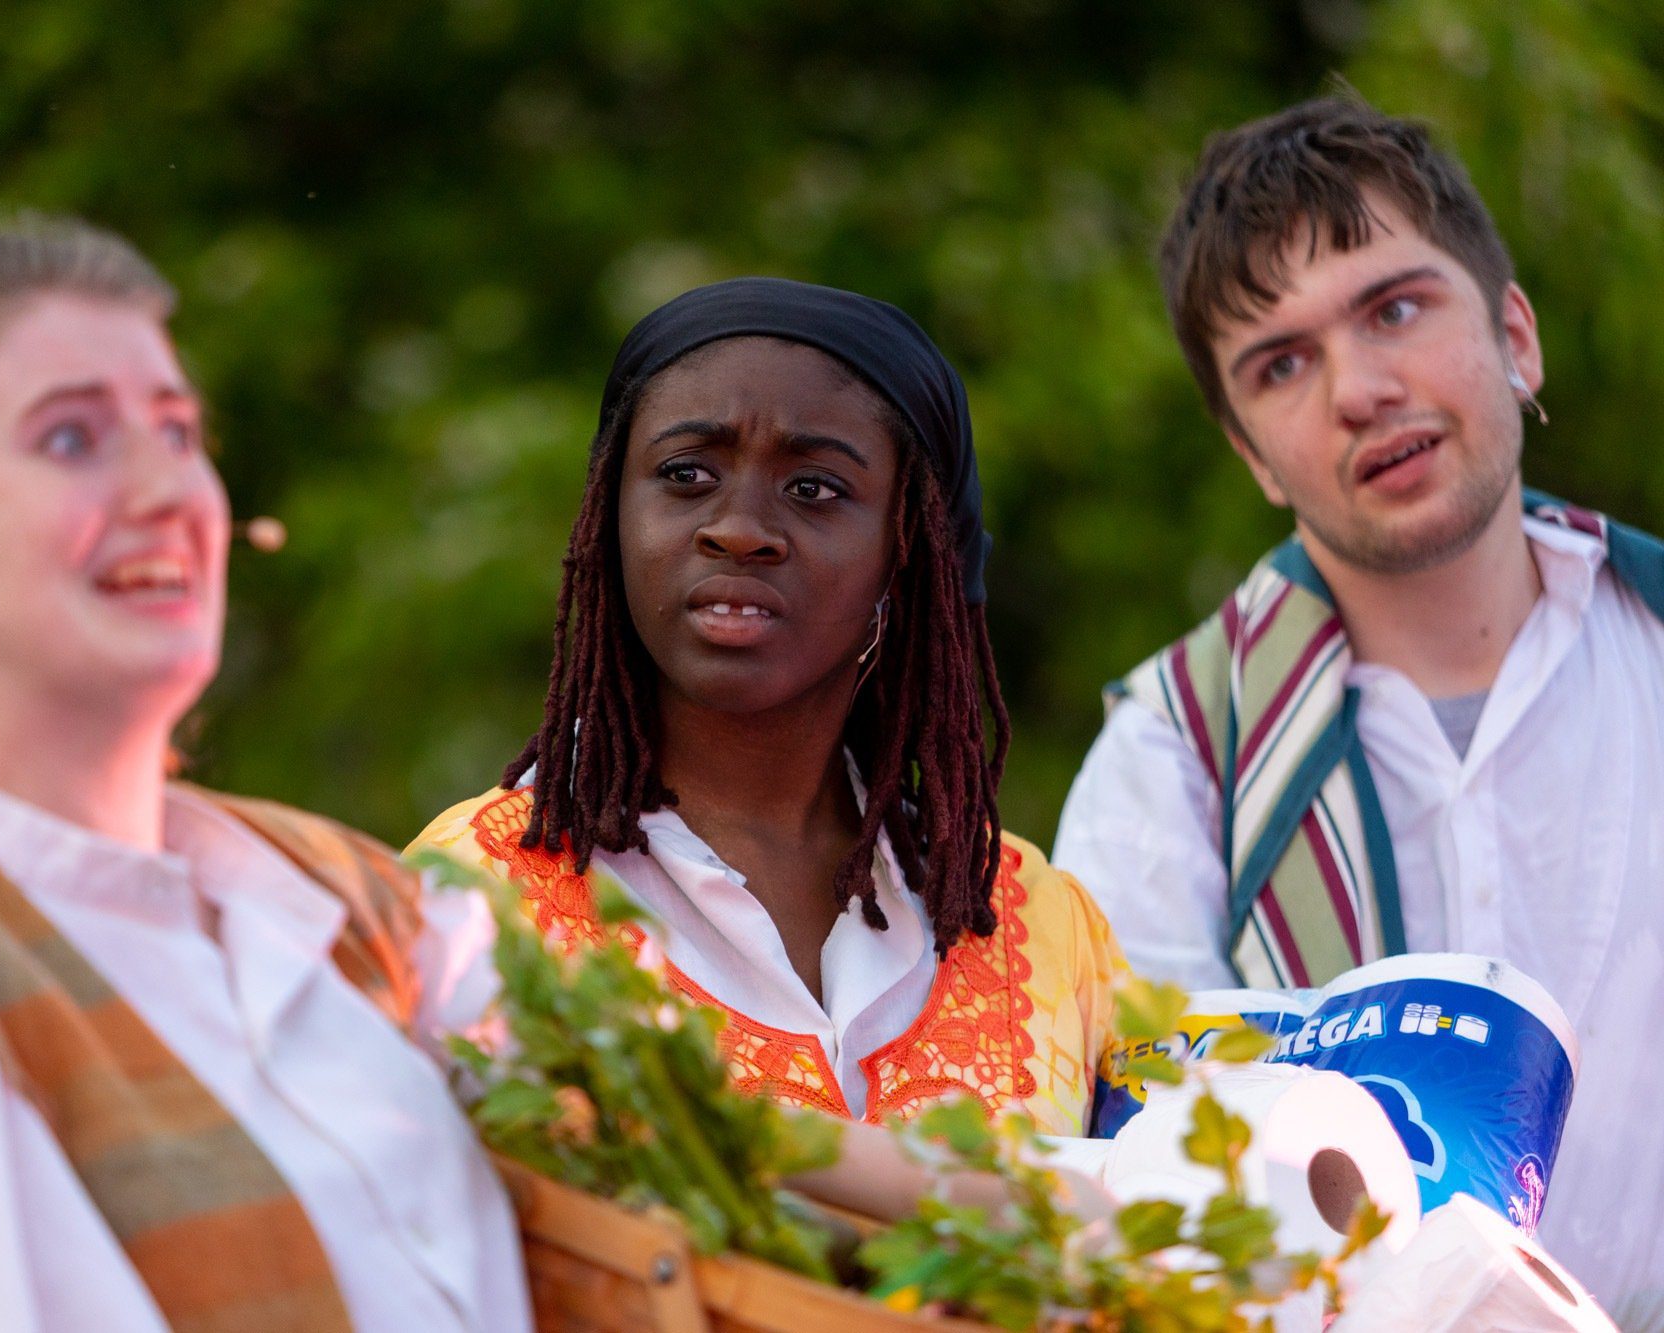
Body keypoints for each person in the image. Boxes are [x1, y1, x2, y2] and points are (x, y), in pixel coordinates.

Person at [0, 220, 531, 1332]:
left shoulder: (331, 896)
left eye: (177, 430)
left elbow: (672, 1149)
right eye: (72, 439)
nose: (169, 487)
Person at [1050, 95, 1664, 1314]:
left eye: (1392, 309)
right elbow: (1131, 1198)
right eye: (1280, 364)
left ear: (1514, 337)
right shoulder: (1169, 761)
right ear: (1253, 457)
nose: (1358, 388)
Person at [412, 277, 1127, 1140]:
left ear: (908, 549)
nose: (741, 528)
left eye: (815, 488)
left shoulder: (1032, 918)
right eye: (686, 474)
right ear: (610, 515)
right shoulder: (470, 896)